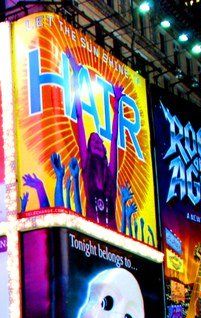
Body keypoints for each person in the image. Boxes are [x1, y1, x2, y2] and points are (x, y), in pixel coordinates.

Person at [66, 51, 123, 230]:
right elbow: (80, 117)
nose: (98, 143)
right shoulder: (86, 166)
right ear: (89, 149)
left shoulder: (110, 172)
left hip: (113, 237)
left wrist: (117, 105)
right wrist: (76, 77)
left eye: (99, 142)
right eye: (94, 142)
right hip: (90, 235)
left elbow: (114, 138)